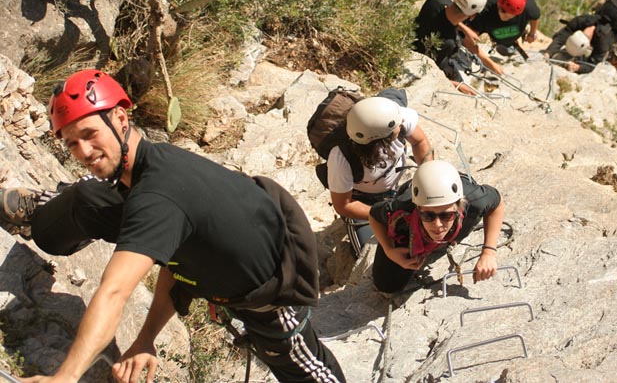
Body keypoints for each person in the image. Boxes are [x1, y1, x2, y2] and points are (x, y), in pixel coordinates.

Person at [2, 69, 345, 383]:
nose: (83, 151)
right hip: (217, 254)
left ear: (120, 118)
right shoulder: (149, 165)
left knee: (311, 373)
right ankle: (43, 209)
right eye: (72, 143)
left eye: (90, 134)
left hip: (270, 299)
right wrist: (146, 338)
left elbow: (114, 292)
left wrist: (64, 377)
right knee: (90, 197)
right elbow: (180, 255)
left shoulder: (158, 197)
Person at [368, 160, 505, 294]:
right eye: (428, 216)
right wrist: (389, 249)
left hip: (456, 201)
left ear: (459, 206)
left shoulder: (474, 200)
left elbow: (497, 204)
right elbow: (374, 215)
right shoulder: (402, 208)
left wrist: (488, 252)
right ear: (417, 208)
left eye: (446, 216)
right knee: (387, 284)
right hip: (414, 213)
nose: (437, 224)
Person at [327, 95, 433, 256]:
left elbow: (420, 141)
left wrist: (429, 176)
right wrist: (383, 215)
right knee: (370, 252)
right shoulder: (341, 157)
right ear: (384, 137)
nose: (401, 124)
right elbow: (344, 205)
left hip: (394, 190)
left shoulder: (397, 118)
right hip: (361, 200)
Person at [413, 0, 503, 93]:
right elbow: (431, 70)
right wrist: (456, 85)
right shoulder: (448, 43)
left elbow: (445, 12)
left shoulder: (436, 0)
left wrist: (464, 28)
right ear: (473, 15)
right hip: (425, 60)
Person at [543, 0, 617, 74]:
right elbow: (563, 34)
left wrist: (578, 68)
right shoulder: (584, 21)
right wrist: (549, 52)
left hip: (599, 46)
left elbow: (592, 64)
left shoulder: (603, 41)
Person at [463, 0, 541, 58]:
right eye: (503, 12)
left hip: (512, 33)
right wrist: (490, 64)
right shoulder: (486, 9)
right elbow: (469, 39)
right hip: (494, 30)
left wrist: (532, 33)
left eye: (510, 16)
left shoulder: (529, 7)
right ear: (498, 5)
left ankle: (511, 44)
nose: (505, 18)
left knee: (507, 49)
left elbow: (535, 17)